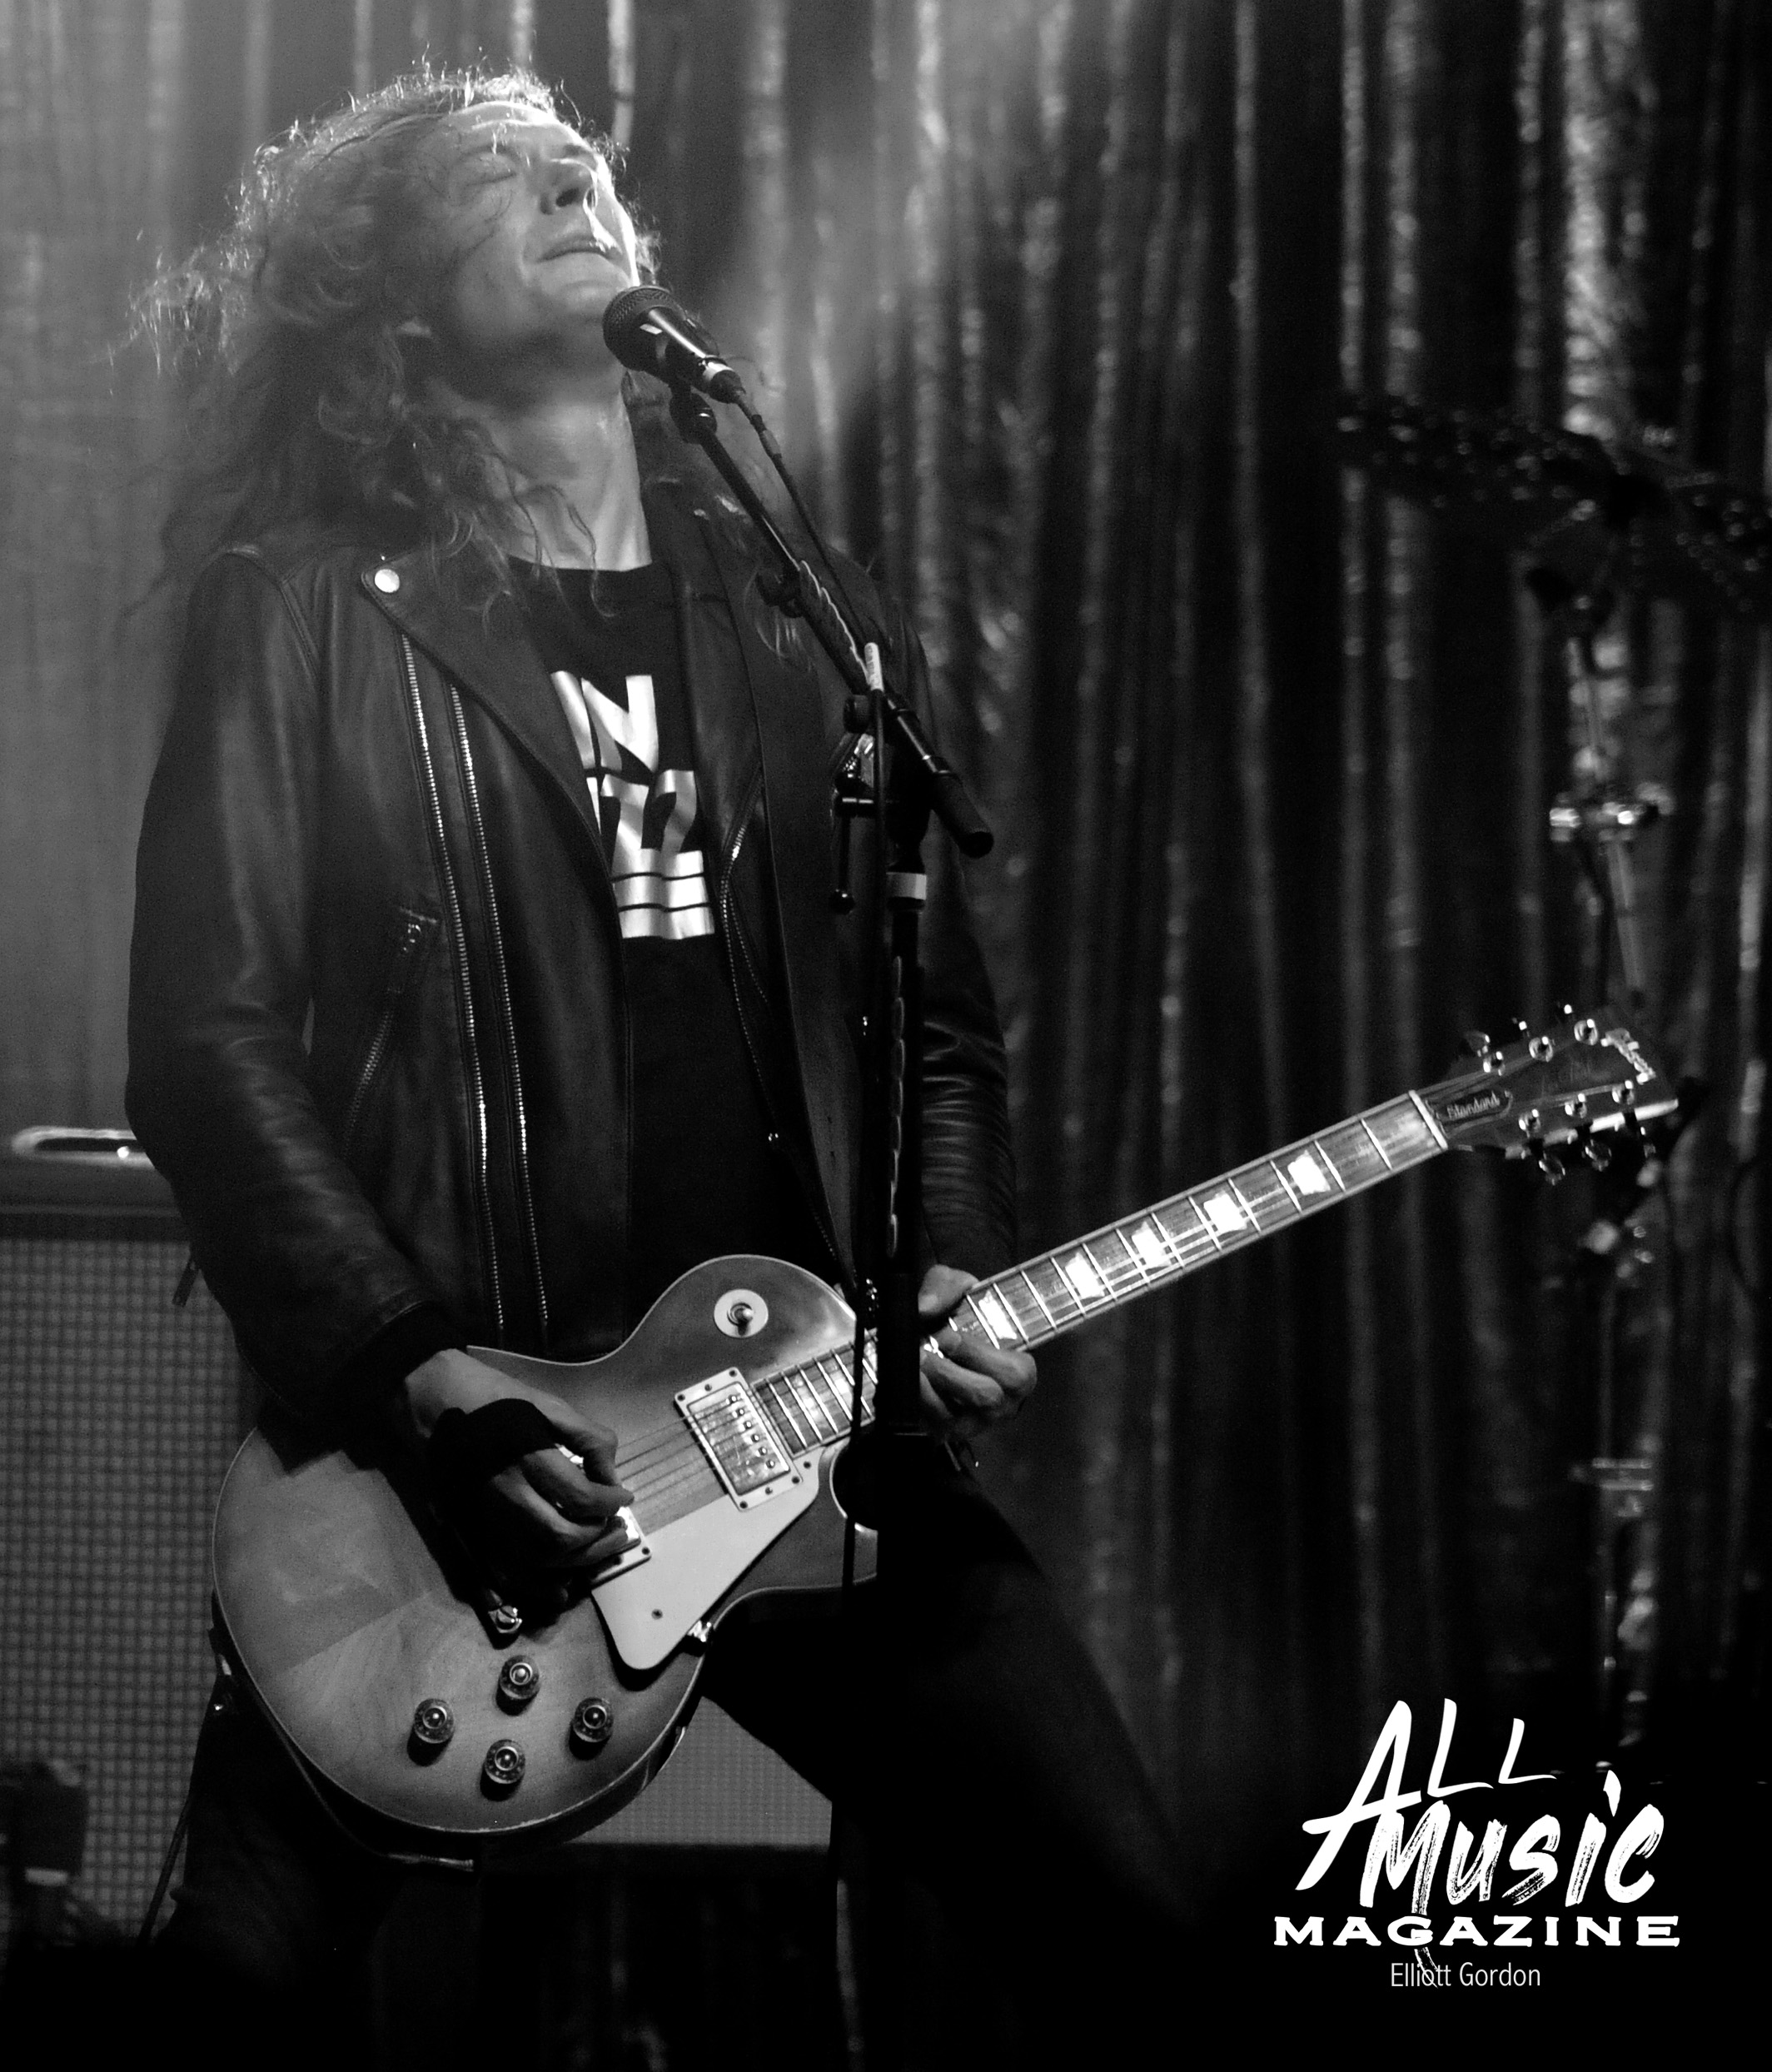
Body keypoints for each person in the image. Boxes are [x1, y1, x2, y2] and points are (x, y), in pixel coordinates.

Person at [129, 68, 1184, 2065]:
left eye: (579, 159)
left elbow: (932, 1016)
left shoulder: (790, 606)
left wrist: (948, 1258)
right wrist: (420, 1377)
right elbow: (203, 1039)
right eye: (491, 169)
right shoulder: (307, 606)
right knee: (226, 2009)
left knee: (1132, 1947)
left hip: (797, 1425)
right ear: (393, 304)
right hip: (466, 1464)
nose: (566, 172)